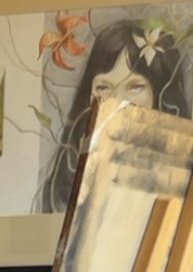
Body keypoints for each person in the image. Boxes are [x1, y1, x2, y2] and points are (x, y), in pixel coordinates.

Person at [38, 17, 192, 213]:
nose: (117, 101)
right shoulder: (68, 175)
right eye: (103, 87)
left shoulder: (182, 173)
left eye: (135, 87)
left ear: (161, 92)